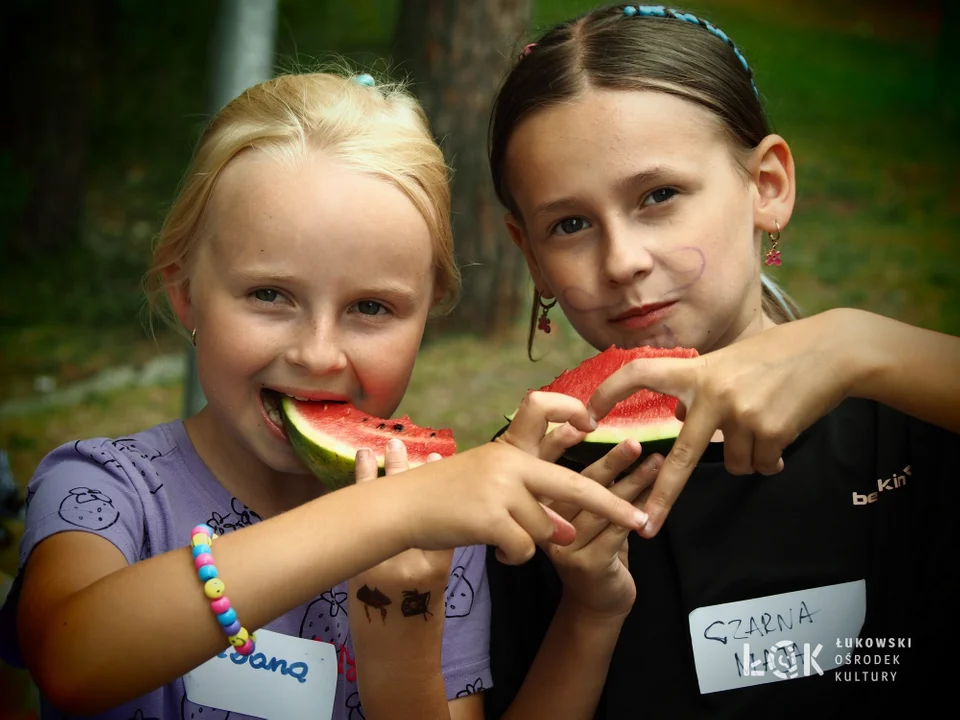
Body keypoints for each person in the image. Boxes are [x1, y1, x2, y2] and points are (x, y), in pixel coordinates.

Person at [0, 69, 649, 720]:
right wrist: (388, 515)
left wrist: (400, 647)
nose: (316, 353)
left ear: (427, 317)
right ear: (185, 290)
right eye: (270, 295)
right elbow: (71, 660)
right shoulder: (101, 486)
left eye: (370, 307)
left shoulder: (438, 542)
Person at [481, 5, 960, 718]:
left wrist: (863, 346)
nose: (622, 261)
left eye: (659, 196)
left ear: (767, 186)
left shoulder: (908, 410)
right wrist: (586, 614)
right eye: (570, 225)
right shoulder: (527, 489)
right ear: (533, 259)